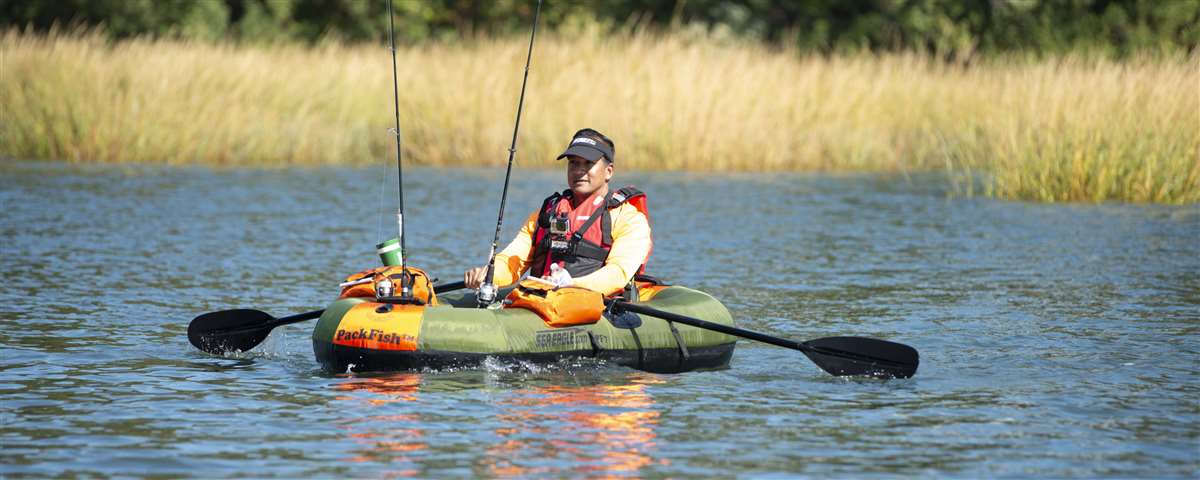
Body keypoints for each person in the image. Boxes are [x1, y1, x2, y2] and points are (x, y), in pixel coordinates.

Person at [464, 128, 652, 296]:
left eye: (588, 164)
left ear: (609, 171)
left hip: (594, 308)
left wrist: (570, 284)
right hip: (541, 303)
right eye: (574, 163)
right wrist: (489, 275)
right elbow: (513, 260)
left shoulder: (628, 218)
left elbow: (618, 273)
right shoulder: (545, 214)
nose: (579, 171)